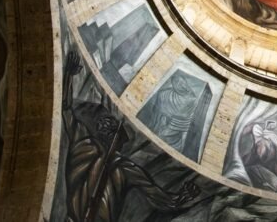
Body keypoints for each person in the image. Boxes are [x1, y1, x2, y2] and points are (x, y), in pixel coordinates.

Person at [61, 52, 199, 222]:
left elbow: (157, 195)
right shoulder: (84, 140)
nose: (108, 127)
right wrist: (68, 75)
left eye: (112, 128)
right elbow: (66, 109)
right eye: (106, 124)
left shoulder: (123, 166)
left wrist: (181, 197)